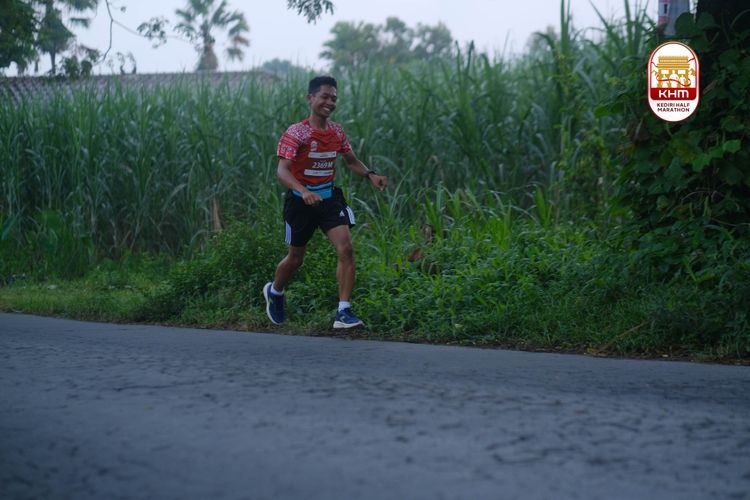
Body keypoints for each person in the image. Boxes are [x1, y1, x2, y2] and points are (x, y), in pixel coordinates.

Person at [263, 76, 388, 329]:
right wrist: (303, 191)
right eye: (324, 97)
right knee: (295, 259)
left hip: (329, 200)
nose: (330, 102)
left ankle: (343, 312)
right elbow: (282, 171)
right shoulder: (296, 132)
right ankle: (275, 291)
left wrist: (370, 174)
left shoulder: (337, 131)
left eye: (334, 98)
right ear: (310, 98)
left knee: (346, 249)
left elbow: (351, 161)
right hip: (300, 203)